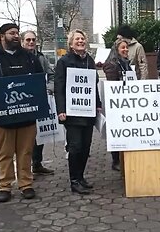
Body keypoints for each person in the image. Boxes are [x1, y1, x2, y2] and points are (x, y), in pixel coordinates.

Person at [0, 23, 45, 203]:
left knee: (25, 151)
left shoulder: (29, 58)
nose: (15, 36)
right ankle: (5, 186)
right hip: (1, 117)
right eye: (11, 33)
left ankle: (26, 184)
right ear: (1, 37)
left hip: (26, 115)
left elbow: (39, 80)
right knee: (4, 153)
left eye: (17, 33)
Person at [54, 29, 102, 195]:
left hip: (88, 112)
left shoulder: (89, 60)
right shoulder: (64, 61)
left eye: (82, 38)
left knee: (86, 147)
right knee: (75, 147)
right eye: (77, 39)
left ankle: (80, 177)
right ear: (71, 43)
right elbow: (58, 87)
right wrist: (60, 110)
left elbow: (92, 85)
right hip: (72, 112)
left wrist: (98, 103)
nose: (80, 41)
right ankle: (74, 181)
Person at [21, 30, 55, 175]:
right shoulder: (18, 59)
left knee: (40, 134)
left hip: (39, 100)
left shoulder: (41, 58)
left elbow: (52, 75)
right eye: (28, 40)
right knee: (25, 138)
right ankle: (24, 169)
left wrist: (48, 89)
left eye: (33, 40)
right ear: (22, 42)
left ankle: (37, 163)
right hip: (23, 103)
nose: (31, 42)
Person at [103, 38, 132, 171]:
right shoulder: (112, 64)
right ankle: (116, 160)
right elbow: (113, 86)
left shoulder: (126, 63)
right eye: (123, 48)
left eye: (127, 47)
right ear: (116, 50)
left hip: (127, 102)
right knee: (117, 131)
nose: (126, 50)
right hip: (116, 104)